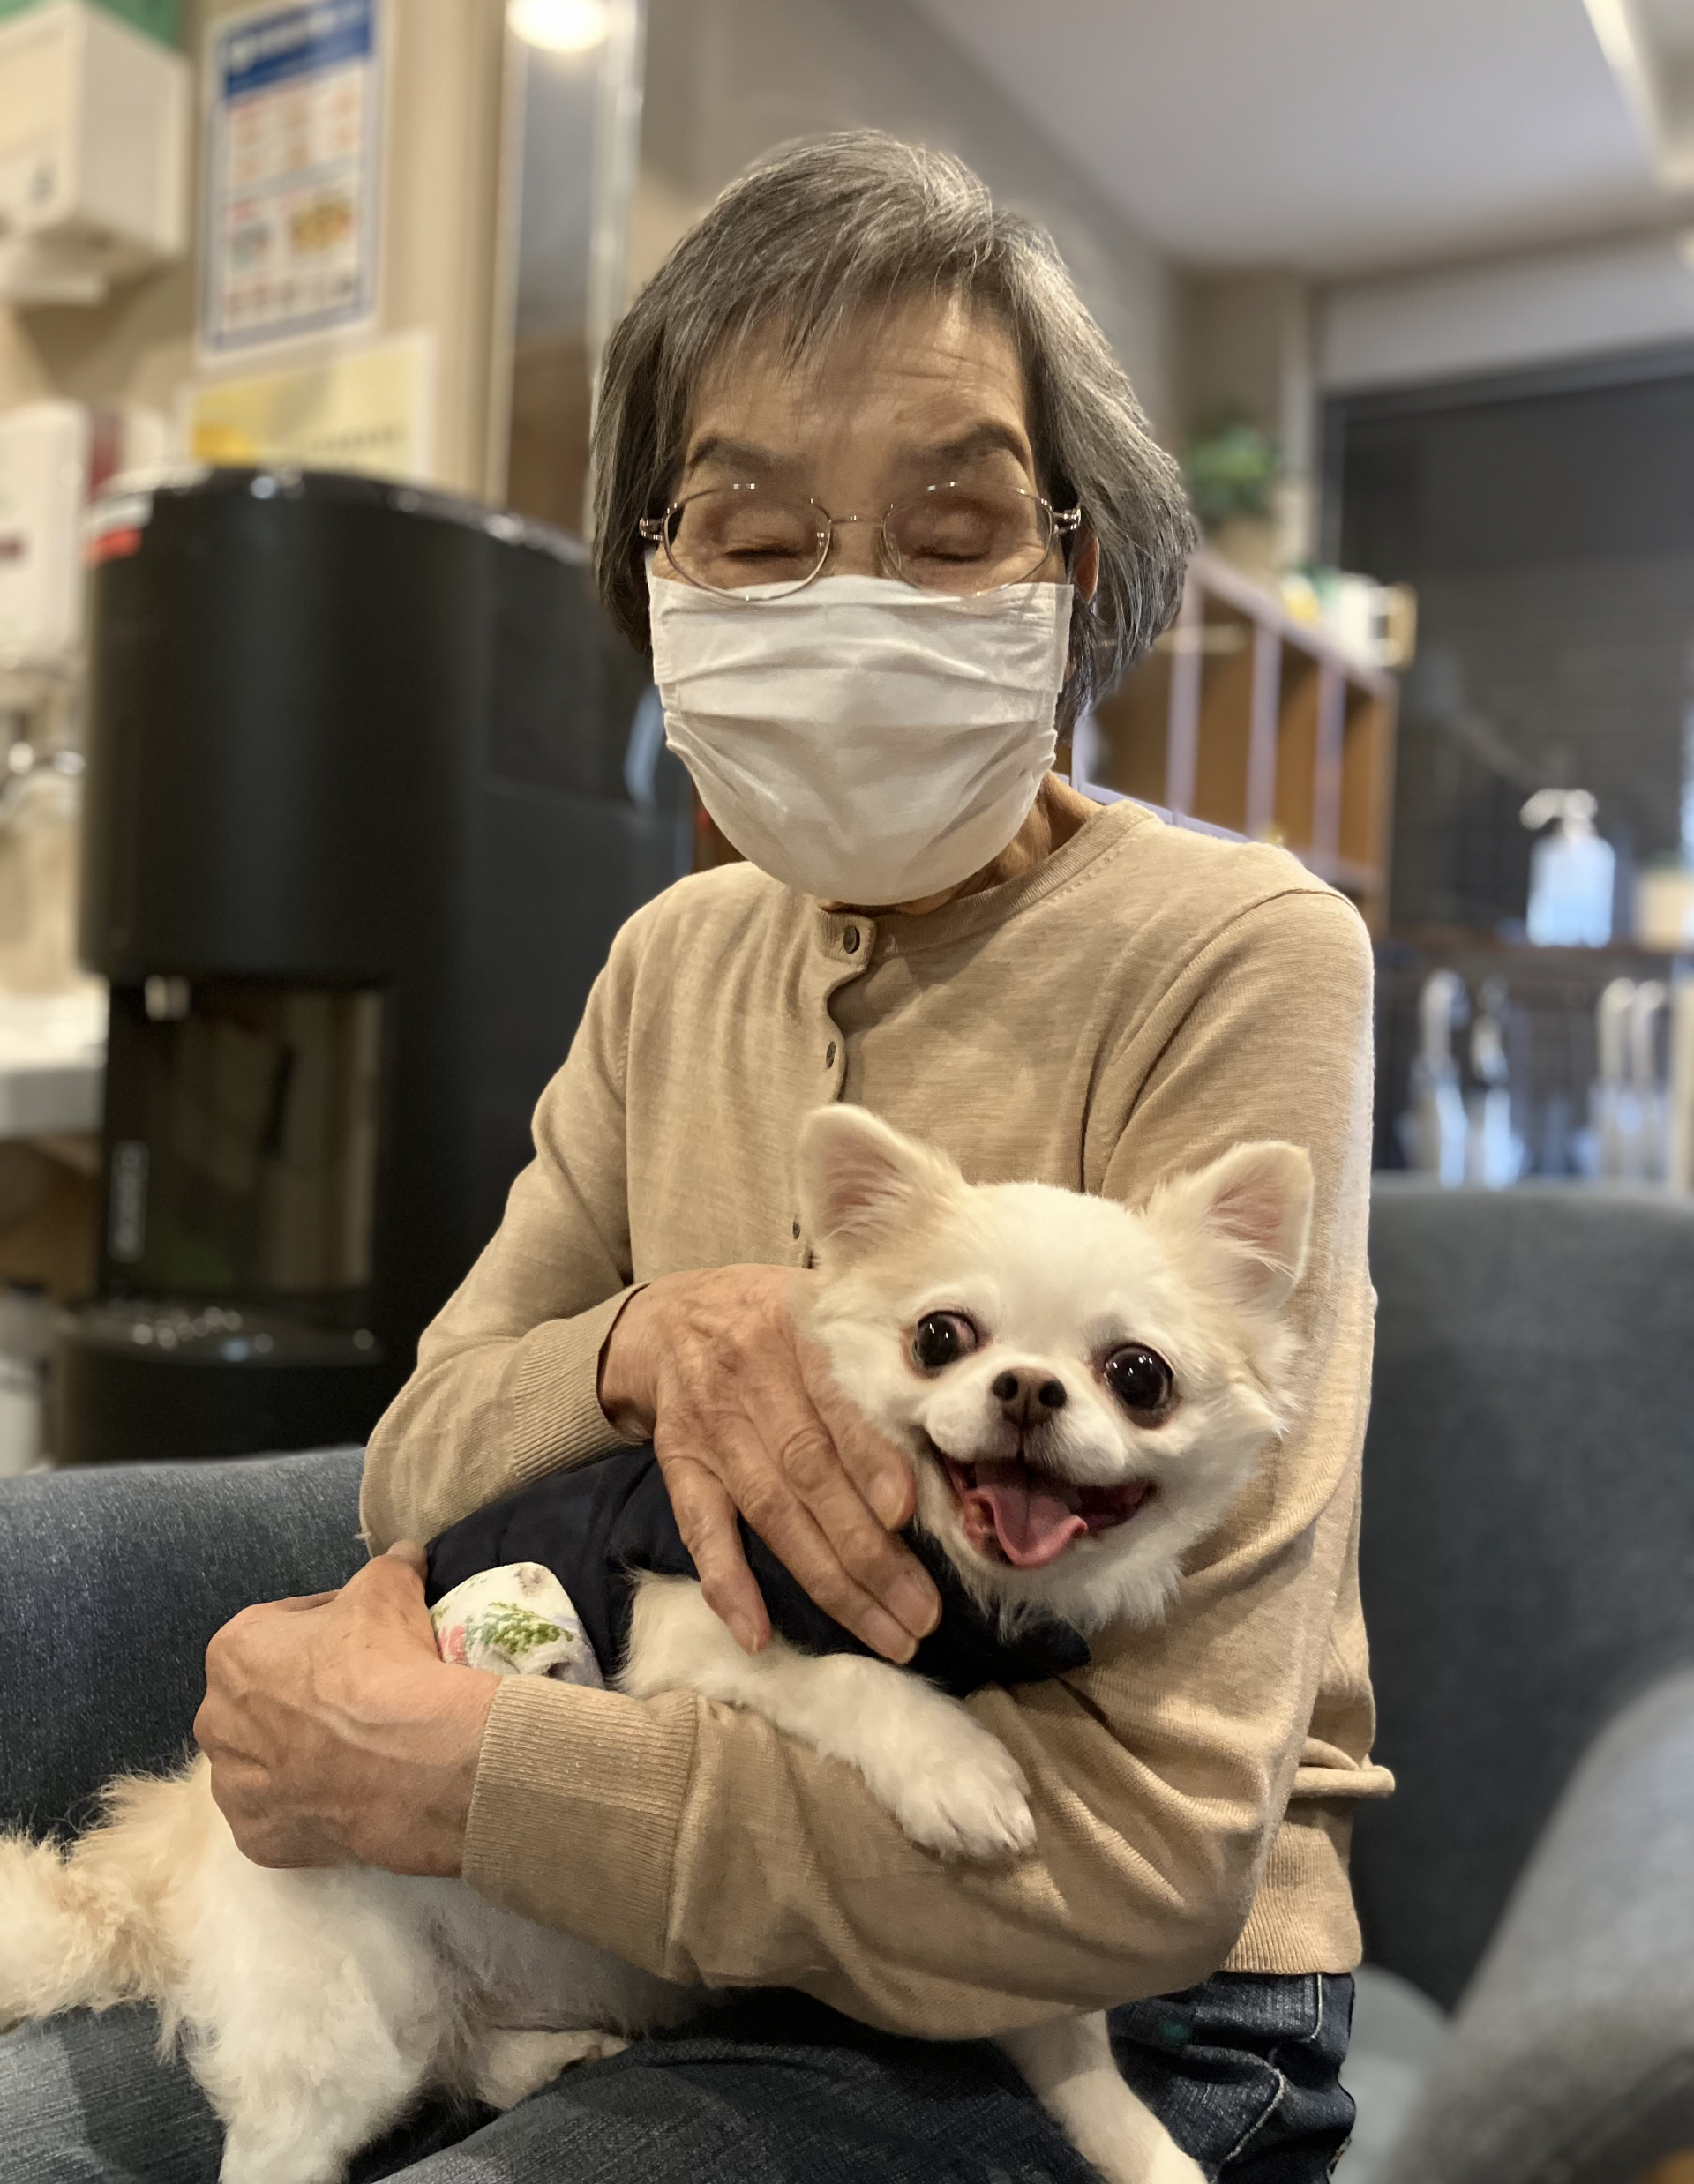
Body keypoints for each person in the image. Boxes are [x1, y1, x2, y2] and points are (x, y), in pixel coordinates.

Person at [0, 132, 1383, 2181]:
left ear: (1077, 571)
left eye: (951, 527)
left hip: (1117, 2003)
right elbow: (422, 1452)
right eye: (753, 533)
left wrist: (476, 1773)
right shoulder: (671, 959)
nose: (853, 602)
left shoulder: (1241, 953)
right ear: (660, 584)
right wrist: (645, 1336)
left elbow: (1142, 1867)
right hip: (644, 1935)